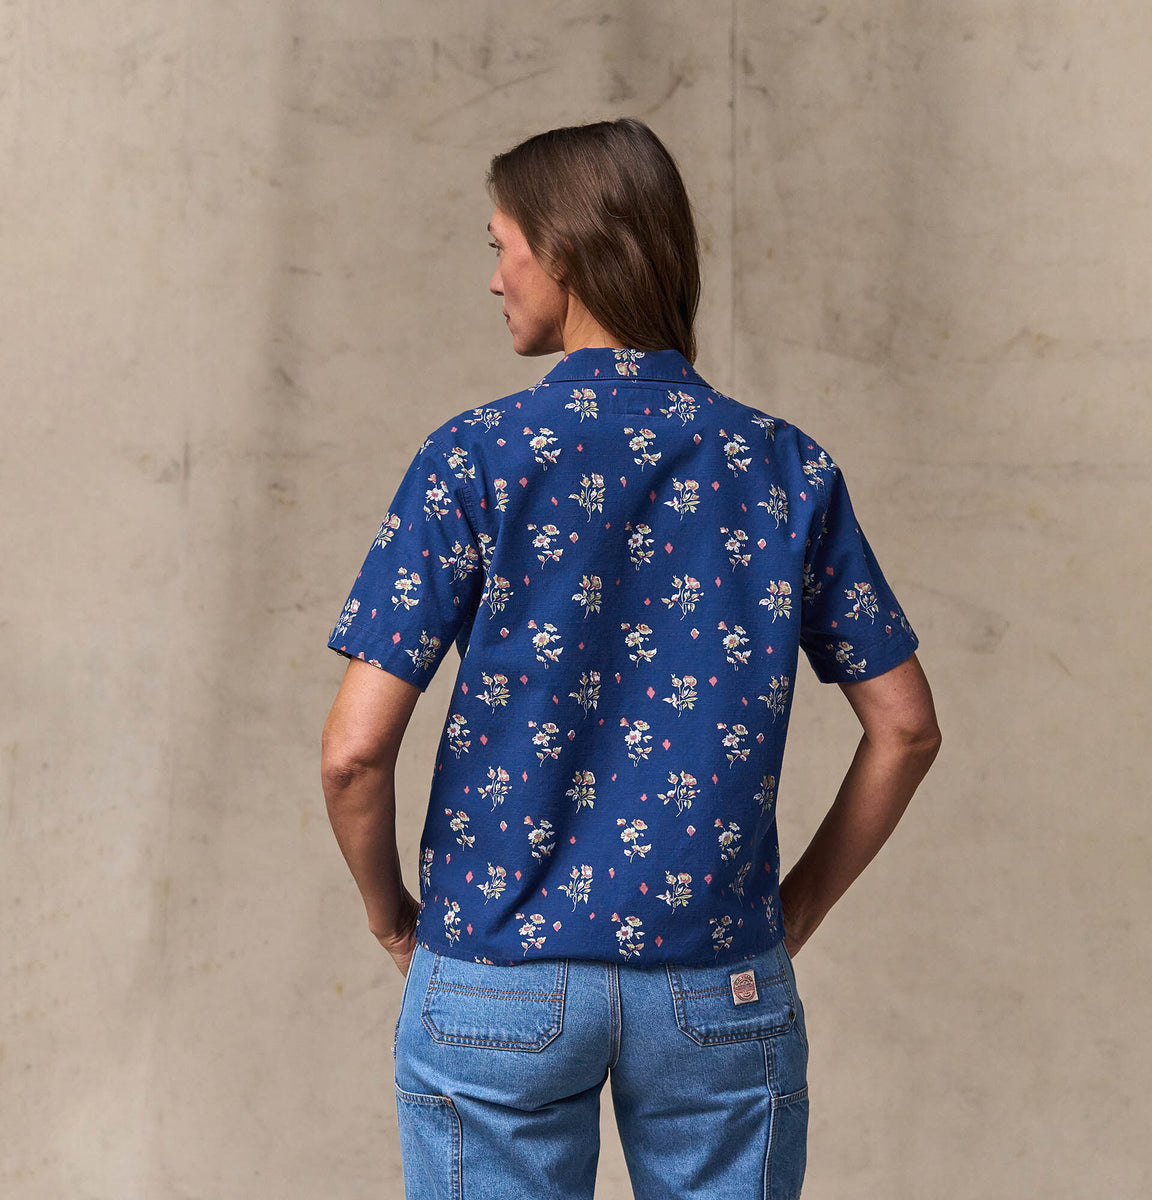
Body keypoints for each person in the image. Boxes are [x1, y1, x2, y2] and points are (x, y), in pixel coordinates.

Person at [321, 117, 940, 1200]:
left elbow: (353, 755)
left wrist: (390, 918)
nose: (496, 277)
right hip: (716, 978)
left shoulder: (472, 458)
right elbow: (908, 727)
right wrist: (792, 911)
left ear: (562, 252)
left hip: (495, 970)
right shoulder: (783, 465)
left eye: (502, 246)